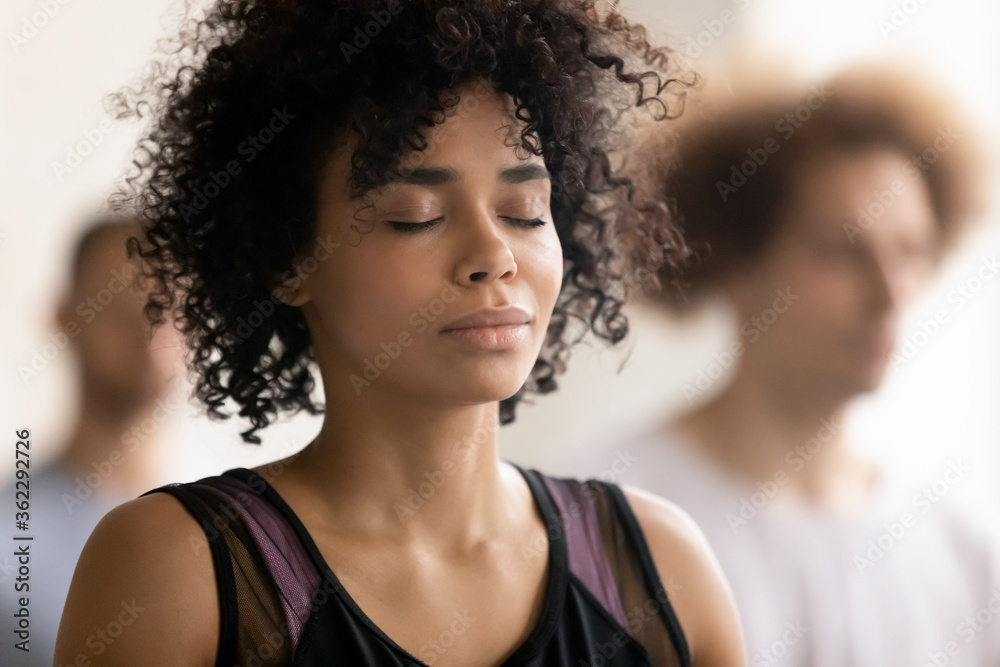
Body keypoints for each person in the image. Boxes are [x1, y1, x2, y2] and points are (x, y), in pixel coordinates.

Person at [54, 1, 746, 665]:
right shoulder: (180, 574)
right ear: (288, 260)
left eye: (526, 211)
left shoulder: (662, 577)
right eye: (416, 215)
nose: (494, 256)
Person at [564, 65, 1000, 665]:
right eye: (844, 250)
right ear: (736, 268)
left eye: (911, 250)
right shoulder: (602, 521)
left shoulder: (963, 553)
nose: (891, 293)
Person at [0, 217, 180, 666]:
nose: (145, 329)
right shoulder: (11, 539)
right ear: (64, 317)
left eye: (165, 307)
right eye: (116, 304)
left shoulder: (237, 528)